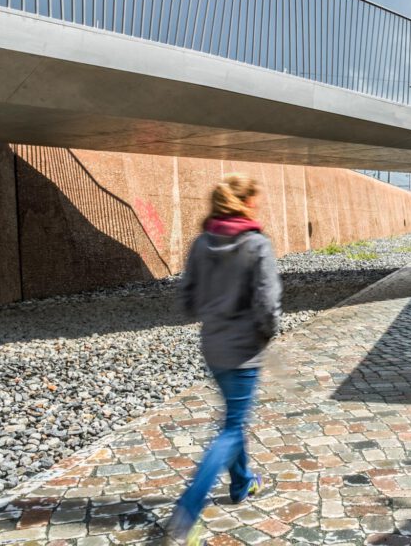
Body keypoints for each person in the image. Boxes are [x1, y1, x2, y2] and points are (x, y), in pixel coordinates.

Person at [166, 174, 282, 546]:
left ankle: (242, 483)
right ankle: (186, 513)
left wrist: (213, 312)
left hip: (213, 346)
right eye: (255, 200)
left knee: (235, 418)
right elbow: (267, 303)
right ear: (245, 203)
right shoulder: (256, 244)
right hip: (244, 351)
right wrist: (265, 334)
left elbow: (188, 297)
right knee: (231, 430)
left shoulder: (201, 243)